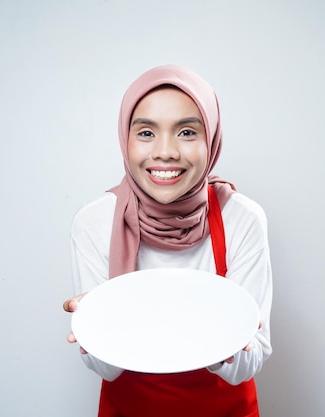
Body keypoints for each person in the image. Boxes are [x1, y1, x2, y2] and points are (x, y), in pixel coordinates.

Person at [63, 64, 273, 417]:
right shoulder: (94, 222)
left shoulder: (242, 218)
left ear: (212, 137)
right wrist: (95, 327)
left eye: (187, 132)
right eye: (146, 132)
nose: (166, 152)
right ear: (124, 138)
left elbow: (250, 362)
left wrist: (226, 337)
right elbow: (107, 370)